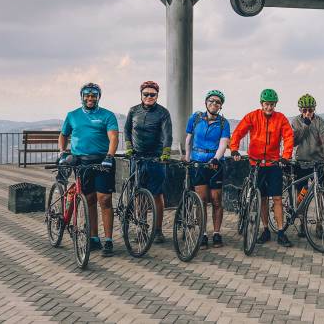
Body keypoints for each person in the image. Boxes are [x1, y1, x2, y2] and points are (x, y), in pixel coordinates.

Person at [58, 83, 119, 256]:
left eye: (94, 95)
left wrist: (109, 156)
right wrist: (62, 152)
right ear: (82, 96)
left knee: (105, 199)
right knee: (89, 199)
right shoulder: (72, 115)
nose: (90, 98)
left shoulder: (107, 115)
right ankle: (94, 238)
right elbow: (63, 135)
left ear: (99, 97)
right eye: (87, 95)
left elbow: (113, 136)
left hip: (102, 161)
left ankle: (108, 240)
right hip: (81, 162)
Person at [230, 89, 295, 247]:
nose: (269, 107)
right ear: (261, 104)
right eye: (266, 104)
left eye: (272, 105)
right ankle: (265, 229)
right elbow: (238, 132)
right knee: (263, 198)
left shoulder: (280, 119)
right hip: (256, 163)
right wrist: (234, 148)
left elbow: (288, 137)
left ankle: (280, 231)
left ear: (275, 105)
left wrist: (286, 156)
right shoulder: (252, 116)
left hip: (274, 163)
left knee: (277, 198)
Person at [124, 81, 173, 243]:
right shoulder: (133, 111)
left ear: (157, 96)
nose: (149, 97)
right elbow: (126, 130)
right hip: (137, 157)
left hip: (156, 158)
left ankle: (158, 231)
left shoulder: (163, 113)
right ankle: (142, 228)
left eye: (153, 94)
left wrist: (166, 152)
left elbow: (167, 135)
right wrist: (129, 147)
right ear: (141, 95)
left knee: (157, 194)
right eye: (146, 94)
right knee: (139, 194)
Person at [184, 90, 230, 248]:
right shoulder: (195, 118)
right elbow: (188, 139)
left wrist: (216, 158)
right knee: (201, 200)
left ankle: (216, 233)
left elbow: (223, 143)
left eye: (218, 102)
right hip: (198, 163)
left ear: (220, 106)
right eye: (211, 101)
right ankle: (203, 233)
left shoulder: (224, 123)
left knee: (216, 200)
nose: (214, 104)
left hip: (215, 164)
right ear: (206, 102)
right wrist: (187, 157)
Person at [290, 93, 324, 237]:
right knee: (302, 194)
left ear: (314, 109)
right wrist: (305, 125)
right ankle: (302, 223)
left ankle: (319, 224)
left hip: (318, 162)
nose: (307, 113)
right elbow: (294, 141)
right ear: (300, 110)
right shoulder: (296, 122)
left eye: (310, 110)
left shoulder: (320, 122)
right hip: (302, 161)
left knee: (320, 193)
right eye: (304, 110)